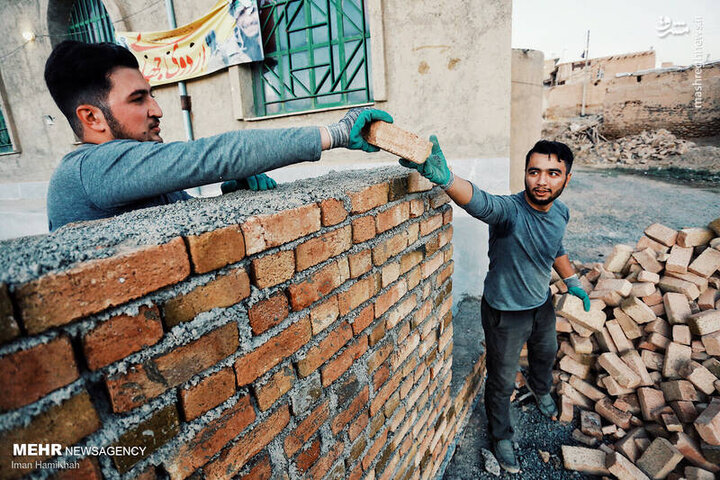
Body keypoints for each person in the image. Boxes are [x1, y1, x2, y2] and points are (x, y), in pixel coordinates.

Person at [43, 40, 392, 231]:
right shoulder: (88, 169)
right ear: (91, 117)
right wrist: (339, 132)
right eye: (138, 99)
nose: (157, 110)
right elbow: (215, 156)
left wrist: (231, 200)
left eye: (152, 94)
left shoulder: (131, 171)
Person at [399, 136, 591, 474]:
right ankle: (501, 435)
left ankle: (540, 387)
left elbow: (556, 247)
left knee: (546, 352)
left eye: (552, 173)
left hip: (541, 303)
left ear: (567, 178)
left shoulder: (561, 211)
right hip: (505, 311)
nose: (541, 181)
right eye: (534, 172)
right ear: (525, 173)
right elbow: (481, 202)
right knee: (501, 379)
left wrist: (572, 280)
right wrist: (446, 179)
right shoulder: (511, 212)